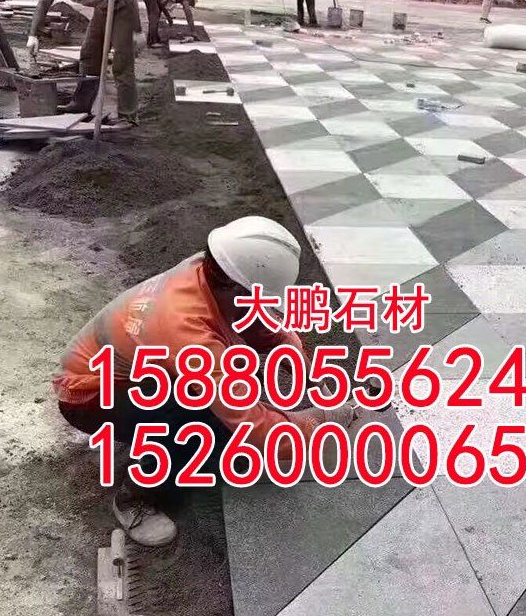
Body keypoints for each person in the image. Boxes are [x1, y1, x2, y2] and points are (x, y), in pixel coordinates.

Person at [54, 217, 355, 547]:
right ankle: (134, 497)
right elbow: (254, 427)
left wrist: (301, 365)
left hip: (124, 372)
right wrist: (321, 421)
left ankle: (157, 431)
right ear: (236, 288)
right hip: (88, 397)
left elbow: (255, 320)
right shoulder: (185, 329)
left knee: (222, 402)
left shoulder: (211, 269)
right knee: (198, 417)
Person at [26, 0, 140, 126]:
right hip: (103, 8)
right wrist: (33, 35)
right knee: (89, 55)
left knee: (122, 62)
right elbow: (44, 2)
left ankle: (128, 116)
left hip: (123, 8)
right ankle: (81, 105)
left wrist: (138, 31)